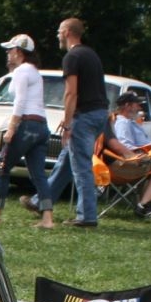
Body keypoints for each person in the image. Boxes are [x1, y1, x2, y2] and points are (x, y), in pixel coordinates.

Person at [41, 17, 112, 227]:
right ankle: (41, 202)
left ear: (67, 32)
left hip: (85, 115)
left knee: (81, 167)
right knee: (67, 160)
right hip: (100, 113)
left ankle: (87, 216)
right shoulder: (91, 54)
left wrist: (67, 123)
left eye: (59, 31)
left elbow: (71, 93)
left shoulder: (72, 57)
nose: (57, 35)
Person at [0, 35, 54, 229]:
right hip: (41, 126)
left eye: (10, 49)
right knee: (39, 174)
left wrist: (12, 127)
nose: (8, 53)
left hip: (26, 124)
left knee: (2, 167)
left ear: (19, 52)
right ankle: (47, 218)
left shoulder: (22, 71)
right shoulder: (34, 72)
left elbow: (20, 101)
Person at [103, 91, 151, 219]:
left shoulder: (129, 122)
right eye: (137, 104)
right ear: (127, 105)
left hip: (130, 159)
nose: (140, 107)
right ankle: (144, 205)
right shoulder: (123, 122)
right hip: (122, 165)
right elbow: (125, 146)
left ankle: (148, 203)